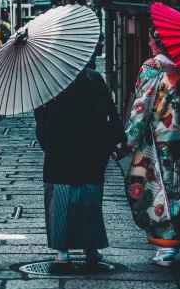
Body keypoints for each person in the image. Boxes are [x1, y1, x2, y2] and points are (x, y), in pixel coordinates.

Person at [34, 53, 124, 268]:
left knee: (60, 202)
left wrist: (48, 145)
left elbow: (41, 120)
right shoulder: (93, 78)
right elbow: (108, 114)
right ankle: (91, 249)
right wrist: (115, 142)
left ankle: (62, 252)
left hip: (59, 152)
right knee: (90, 200)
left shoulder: (49, 84)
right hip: (91, 151)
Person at [121, 27, 180, 266]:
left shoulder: (153, 67)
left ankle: (164, 246)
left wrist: (131, 137)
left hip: (157, 137)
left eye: (152, 40)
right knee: (176, 188)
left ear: (159, 43)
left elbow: (143, 103)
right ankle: (170, 243)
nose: (149, 44)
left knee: (152, 187)